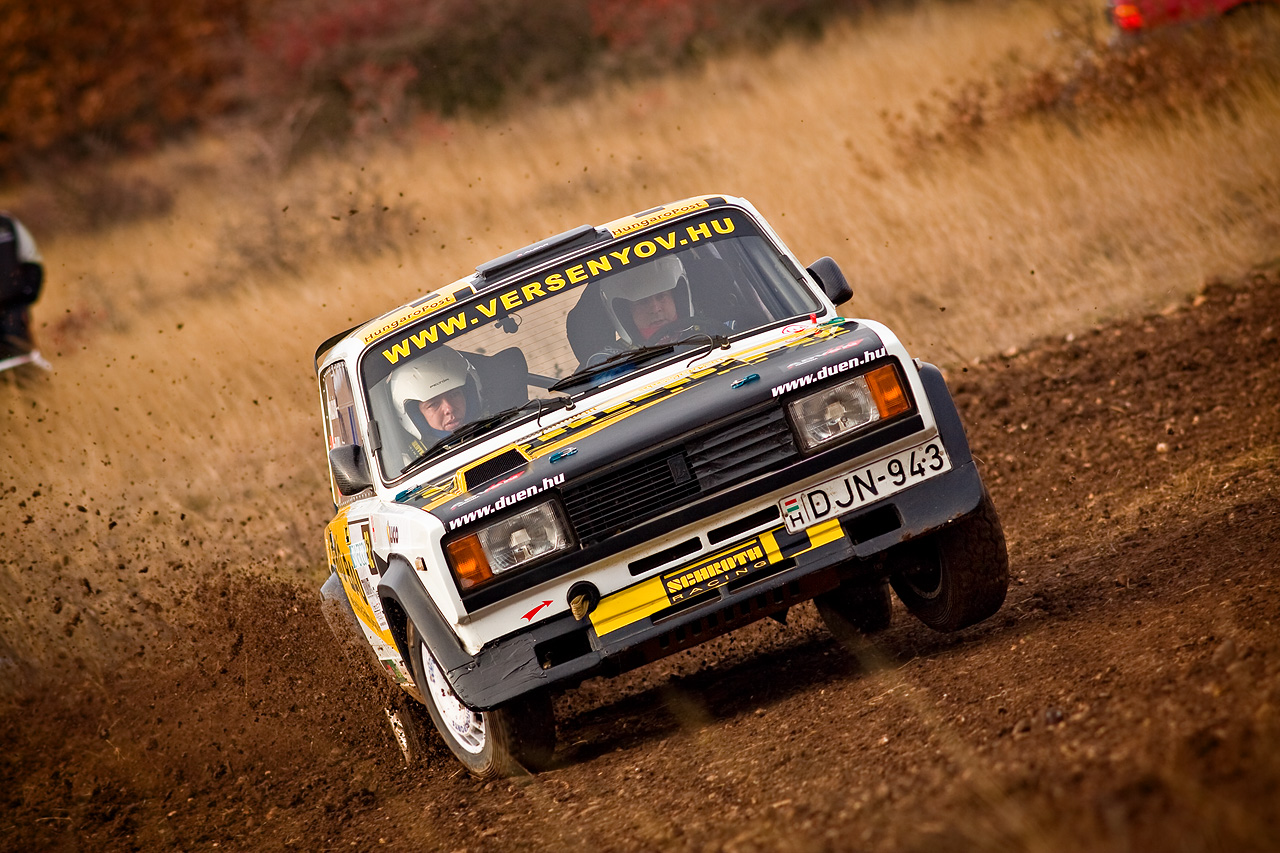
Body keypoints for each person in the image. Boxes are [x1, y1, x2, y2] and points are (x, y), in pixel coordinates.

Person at [389, 345, 483, 443]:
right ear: (416, 414)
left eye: (454, 395)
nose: (449, 409)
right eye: (433, 404)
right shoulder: (409, 458)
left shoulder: (497, 421)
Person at [0, 212, 44, 359]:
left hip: (14, 311)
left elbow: (32, 262)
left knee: (23, 360)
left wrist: (26, 295)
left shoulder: (8, 224)